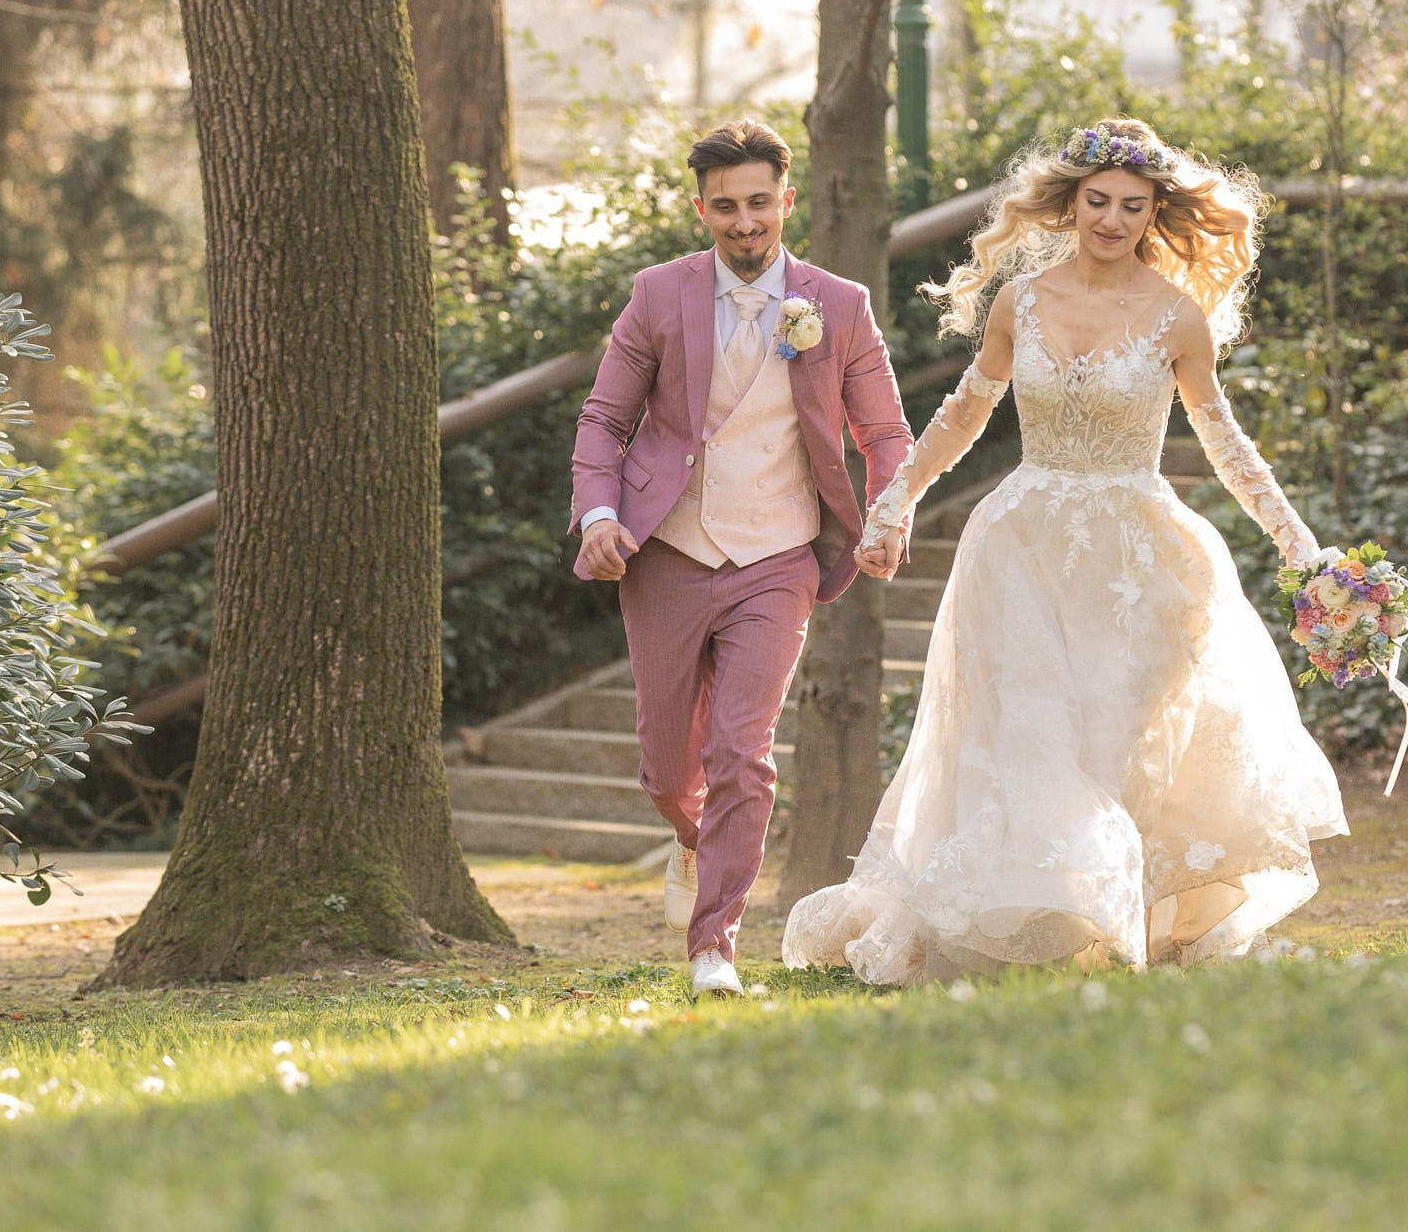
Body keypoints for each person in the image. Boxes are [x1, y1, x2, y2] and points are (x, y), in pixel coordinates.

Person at [782, 118, 1347, 984]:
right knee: (1033, 731)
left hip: (1136, 558)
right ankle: (1034, 920)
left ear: (1155, 213)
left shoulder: (1176, 316)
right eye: (1098, 203)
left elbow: (1226, 444)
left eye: (1132, 206)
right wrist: (894, 500)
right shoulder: (1025, 301)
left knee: (1118, 737)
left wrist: (1301, 547)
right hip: (1021, 547)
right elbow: (966, 413)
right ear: (1069, 203)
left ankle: (1115, 917)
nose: (1112, 220)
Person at [570, 119, 913, 996]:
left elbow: (882, 430)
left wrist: (888, 514)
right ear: (702, 210)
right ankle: (693, 836)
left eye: (759, 202)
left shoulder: (837, 305)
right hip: (671, 551)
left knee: (742, 749)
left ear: (786, 201)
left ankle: (714, 942)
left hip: (780, 554)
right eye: (725, 206)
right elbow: (605, 420)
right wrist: (601, 513)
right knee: (667, 767)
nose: (744, 221)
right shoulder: (657, 294)